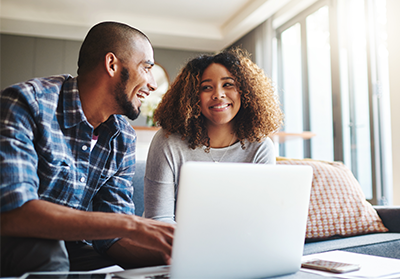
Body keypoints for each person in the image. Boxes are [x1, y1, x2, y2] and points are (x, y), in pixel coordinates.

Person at [0, 21, 175, 277]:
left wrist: (174, 256)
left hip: (70, 248)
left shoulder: (122, 136)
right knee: (48, 252)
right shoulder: (26, 103)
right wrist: (133, 225)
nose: (152, 83)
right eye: (146, 68)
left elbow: (112, 239)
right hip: (12, 238)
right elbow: (15, 213)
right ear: (112, 64)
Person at [144, 48, 284, 224]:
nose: (218, 94)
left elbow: (261, 217)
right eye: (206, 87)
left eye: (228, 84)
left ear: (245, 91)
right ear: (192, 96)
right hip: (175, 243)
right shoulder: (168, 142)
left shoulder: (260, 147)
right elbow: (159, 219)